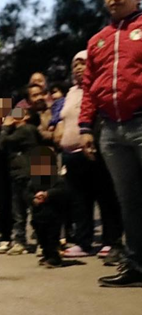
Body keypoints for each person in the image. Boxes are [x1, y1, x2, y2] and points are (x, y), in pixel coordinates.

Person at [79, 0, 142, 287]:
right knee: (128, 201)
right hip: (111, 131)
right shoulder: (97, 41)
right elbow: (89, 87)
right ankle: (137, 266)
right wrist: (85, 127)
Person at [54, 52, 124, 261]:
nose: (78, 67)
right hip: (70, 155)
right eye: (75, 64)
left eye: (83, 63)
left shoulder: (98, 88)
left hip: (93, 151)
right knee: (79, 201)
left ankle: (110, 241)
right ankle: (83, 242)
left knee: (105, 197)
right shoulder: (71, 92)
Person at [0, 107, 41, 256]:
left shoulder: (27, 130)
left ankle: (42, 241)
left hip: (27, 174)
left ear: (26, 117)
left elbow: (1, 144)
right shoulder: (17, 132)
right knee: (18, 212)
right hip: (18, 174)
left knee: (34, 209)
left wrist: (4, 128)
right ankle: (20, 241)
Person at [29, 147, 68, 268]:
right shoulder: (33, 181)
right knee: (42, 238)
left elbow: (62, 191)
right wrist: (33, 199)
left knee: (52, 238)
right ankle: (46, 255)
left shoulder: (57, 179)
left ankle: (54, 257)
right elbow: (26, 193)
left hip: (53, 216)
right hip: (38, 216)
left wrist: (47, 194)